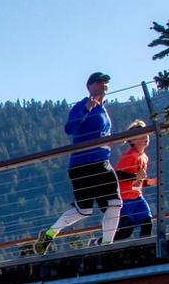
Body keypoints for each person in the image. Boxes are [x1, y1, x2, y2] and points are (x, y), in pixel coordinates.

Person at [37, 71, 122, 253]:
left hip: (102, 162)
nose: (103, 86)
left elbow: (100, 134)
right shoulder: (81, 106)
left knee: (114, 203)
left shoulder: (104, 110)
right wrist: (86, 109)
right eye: (99, 82)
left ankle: (107, 245)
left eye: (106, 83)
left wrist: (112, 140)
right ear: (89, 86)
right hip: (83, 164)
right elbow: (70, 128)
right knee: (84, 210)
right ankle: (50, 233)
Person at [113, 120, 158, 241]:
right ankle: (99, 243)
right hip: (126, 198)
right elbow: (118, 174)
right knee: (126, 231)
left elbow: (137, 179)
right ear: (132, 140)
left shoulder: (144, 157)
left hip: (137, 197)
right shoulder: (129, 155)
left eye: (146, 134)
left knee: (147, 223)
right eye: (142, 135)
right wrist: (136, 177)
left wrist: (148, 182)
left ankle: (144, 247)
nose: (146, 137)